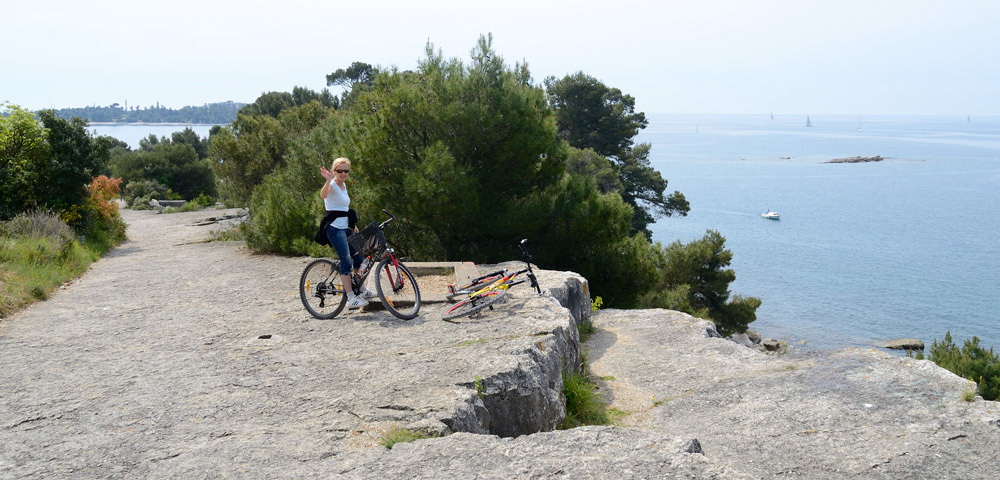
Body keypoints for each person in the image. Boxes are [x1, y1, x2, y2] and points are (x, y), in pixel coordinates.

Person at [320, 157, 375, 309]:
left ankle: (362, 290)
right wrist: (327, 180)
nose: (343, 174)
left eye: (346, 171)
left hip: (345, 228)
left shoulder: (344, 186)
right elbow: (323, 195)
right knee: (346, 261)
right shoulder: (331, 184)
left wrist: (352, 226)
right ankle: (351, 298)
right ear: (333, 172)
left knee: (359, 259)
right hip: (334, 229)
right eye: (340, 171)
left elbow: (343, 209)